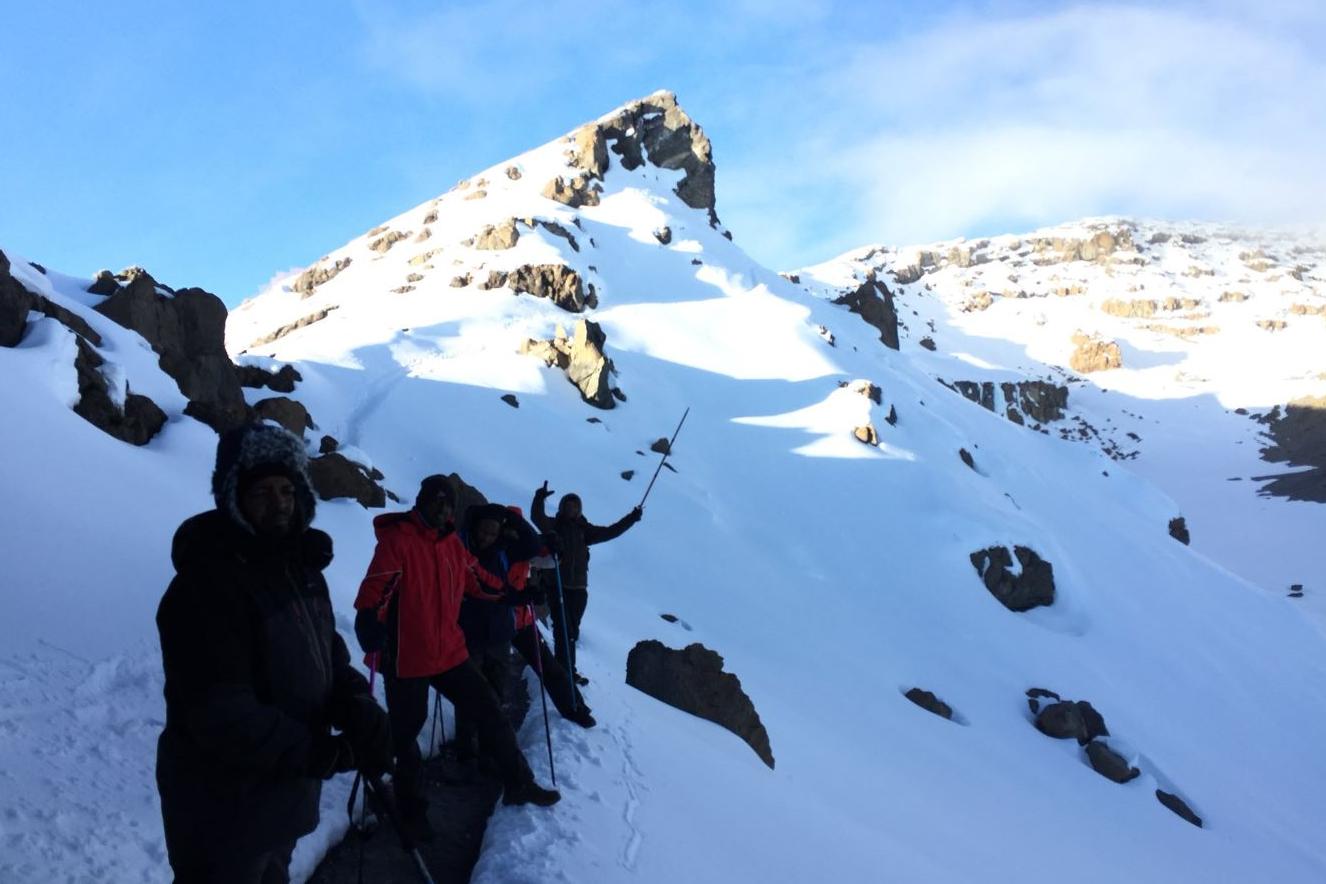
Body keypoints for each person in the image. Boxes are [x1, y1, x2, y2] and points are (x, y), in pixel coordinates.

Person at [156, 422, 392, 884]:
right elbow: (222, 712)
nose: (279, 503)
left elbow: (327, 655)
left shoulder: (297, 569)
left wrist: (356, 703)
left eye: (287, 489)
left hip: (279, 801)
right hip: (221, 810)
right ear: (233, 498)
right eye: (262, 491)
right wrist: (320, 753)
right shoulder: (207, 584)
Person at [354, 476, 559, 839]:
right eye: (436, 502)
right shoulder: (398, 541)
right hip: (406, 657)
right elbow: (377, 586)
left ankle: (519, 782)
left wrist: (513, 595)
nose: (442, 509)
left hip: (449, 652)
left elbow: (478, 582)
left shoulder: (453, 545)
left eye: (448, 504)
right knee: (406, 737)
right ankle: (411, 811)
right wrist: (368, 618)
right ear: (420, 502)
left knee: (490, 710)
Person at [453, 503, 541, 761]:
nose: (486, 537)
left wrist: (513, 519)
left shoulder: (505, 549)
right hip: (468, 632)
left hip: (498, 633)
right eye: (484, 531)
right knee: (468, 693)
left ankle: (488, 747)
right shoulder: (460, 547)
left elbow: (533, 545)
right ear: (475, 527)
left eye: (493, 532)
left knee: (495, 692)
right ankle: (466, 749)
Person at [530, 481, 642, 684]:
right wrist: (539, 498)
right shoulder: (554, 527)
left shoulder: (585, 530)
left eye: (574, 507)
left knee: (571, 631)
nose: (571, 509)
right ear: (562, 508)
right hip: (558, 585)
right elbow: (536, 517)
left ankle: (565, 670)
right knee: (563, 629)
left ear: (579, 509)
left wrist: (632, 519)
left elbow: (611, 531)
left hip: (580, 589)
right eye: (567, 506)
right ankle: (565, 673)